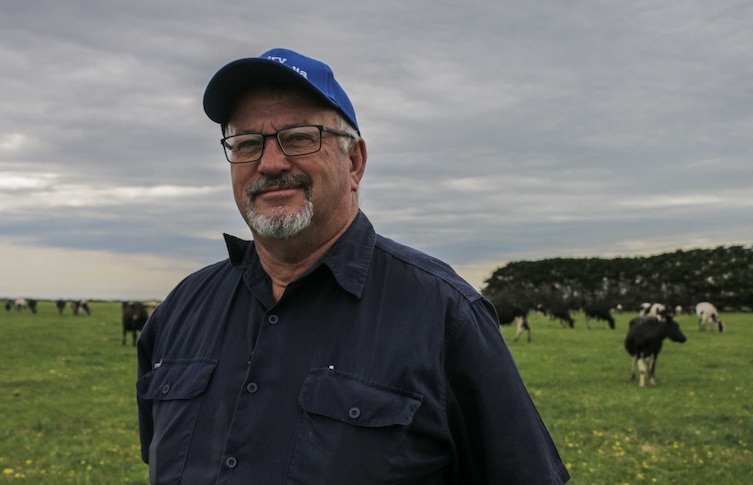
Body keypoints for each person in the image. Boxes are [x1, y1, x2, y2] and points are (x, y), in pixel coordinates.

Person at [136, 47, 569, 485]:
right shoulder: (181, 310)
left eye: (300, 137)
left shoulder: (445, 315)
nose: (269, 163)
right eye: (247, 144)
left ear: (354, 162)